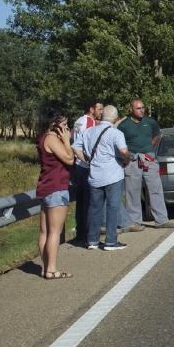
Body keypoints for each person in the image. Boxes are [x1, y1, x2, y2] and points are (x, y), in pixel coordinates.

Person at [74, 105, 130, 251]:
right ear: (116, 118)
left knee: (94, 208)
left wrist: (86, 160)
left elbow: (75, 146)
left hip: (94, 175)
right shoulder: (116, 133)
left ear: (102, 116)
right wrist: (126, 160)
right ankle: (110, 242)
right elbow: (124, 151)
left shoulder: (89, 132)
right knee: (113, 208)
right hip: (113, 175)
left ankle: (92, 240)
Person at [118, 99, 174, 229]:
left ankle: (161, 220)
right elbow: (119, 143)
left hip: (148, 158)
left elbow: (157, 136)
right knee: (132, 191)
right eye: (138, 108)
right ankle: (134, 222)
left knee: (155, 188)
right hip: (132, 159)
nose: (142, 110)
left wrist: (149, 146)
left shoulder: (150, 122)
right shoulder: (124, 125)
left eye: (143, 107)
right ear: (131, 109)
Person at [36, 109, 75, 278]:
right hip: (57, 187)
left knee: (45, 231)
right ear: (54, 125)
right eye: (64, 125)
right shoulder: (52, 139)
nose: (67, 128)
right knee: (55, 232)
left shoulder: (43, 137)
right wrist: (66, 141)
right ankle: (51, 269)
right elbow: (69, 159)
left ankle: (46, 267)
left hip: (46, 186)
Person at [70, 98, 103, 246]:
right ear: (91, 109)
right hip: (85, 165)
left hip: (78, 165)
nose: (101, 112)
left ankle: (81, 233)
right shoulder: (89, 122)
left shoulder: (78, 121)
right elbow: (88, 142)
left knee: (82, 202)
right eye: (99, 109)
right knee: (89, 202)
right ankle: (88, 234)